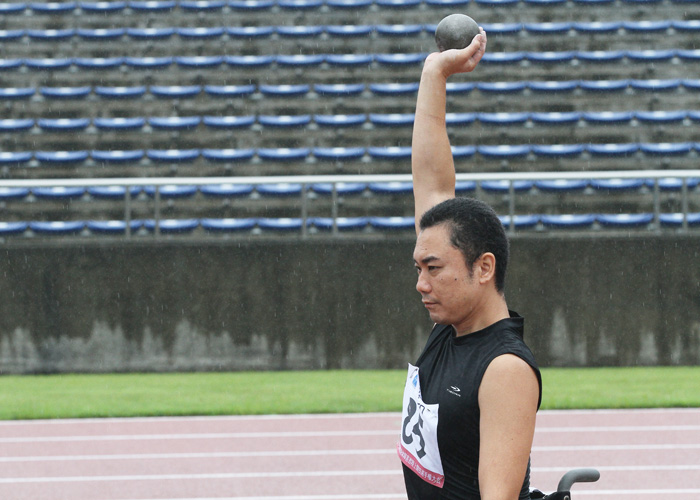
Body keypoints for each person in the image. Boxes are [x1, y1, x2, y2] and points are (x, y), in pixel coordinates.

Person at [397, 28, 543, 499]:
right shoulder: (451, 329)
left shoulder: (503, 370)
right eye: (419, 268)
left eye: (433, 269)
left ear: (484, 268)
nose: (421, 283)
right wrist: (434, 73)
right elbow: (433, 183)